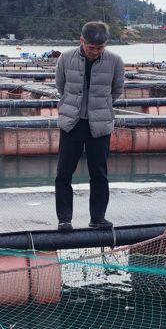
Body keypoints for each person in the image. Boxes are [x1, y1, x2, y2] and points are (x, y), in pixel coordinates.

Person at [54, 22, 124, 232]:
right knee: (64, 172)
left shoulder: (115, 61)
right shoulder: (65, 58)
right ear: (81, 41)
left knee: (99, 173)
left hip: (99, 123)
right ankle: (64, 219)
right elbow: (60, 86)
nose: (95, 52)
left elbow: (116, 90)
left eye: (99, 48)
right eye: (91, 47)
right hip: (72, 123)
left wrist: (99, 106)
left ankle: (98, 217)